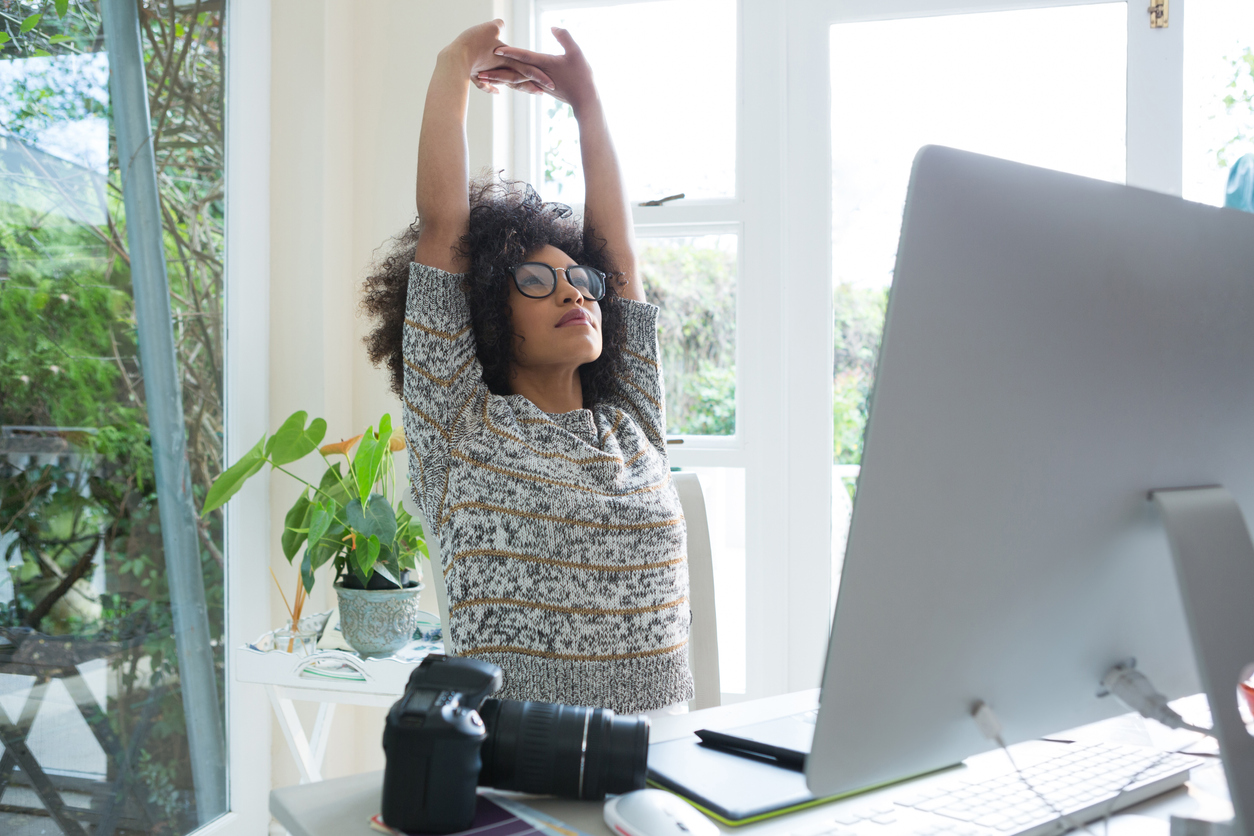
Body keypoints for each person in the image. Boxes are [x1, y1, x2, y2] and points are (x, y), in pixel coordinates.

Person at [361, 20, 693, 715]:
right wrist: (455, 66)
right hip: (517, 779)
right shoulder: (460, 429)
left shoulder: (633, 422)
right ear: (488, 314)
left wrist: (588, 102)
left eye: (581, 282)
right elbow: (444, 230)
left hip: (660, 766)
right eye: (538, 284)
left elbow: (619, 261)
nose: (577, 292)